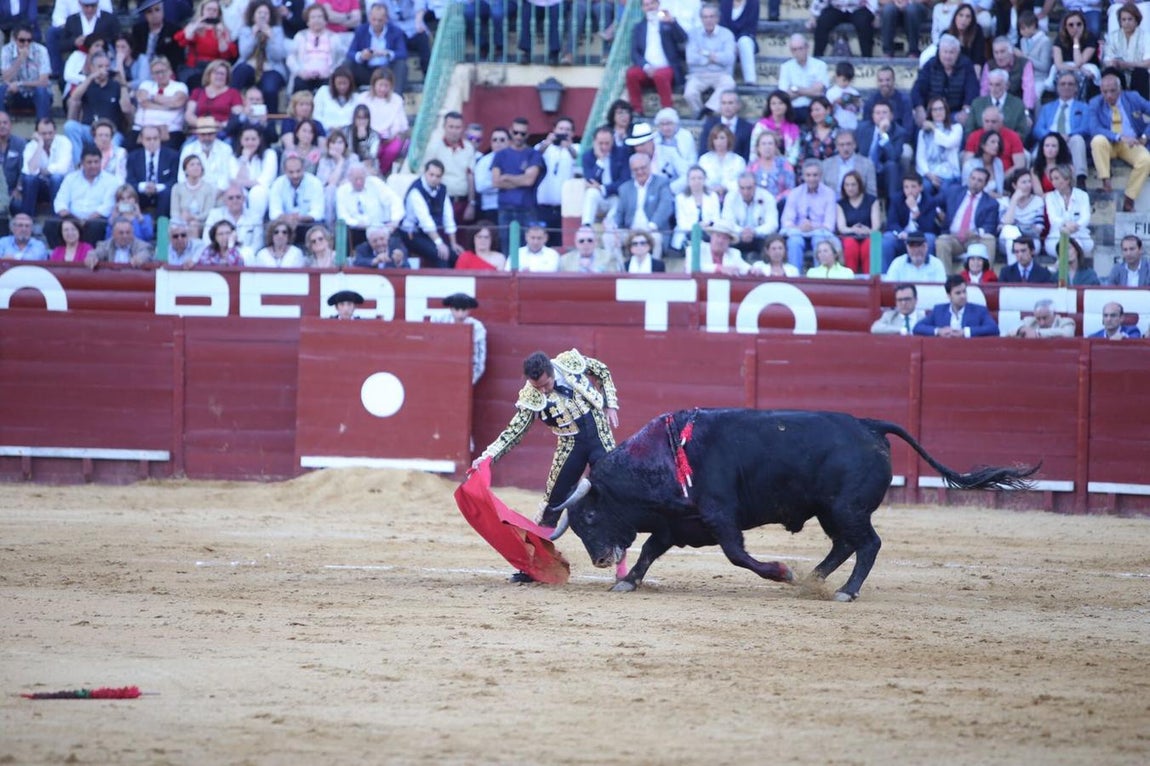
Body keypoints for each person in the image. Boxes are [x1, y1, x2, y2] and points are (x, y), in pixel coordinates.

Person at [475, 349, 620, 583]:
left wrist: (611, 403)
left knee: (614, 494)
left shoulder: (569, 362)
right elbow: (514, 432)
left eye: (546, 384)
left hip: (600, 435)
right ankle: (534, 566)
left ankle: (623, 570)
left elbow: (602, 370)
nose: (542, 391)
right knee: (552, 503)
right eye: (537, 387)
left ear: (552, 371)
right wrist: (487, 456)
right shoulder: (531, 395)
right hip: (570, 445)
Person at [1089, 73, 1150, 213]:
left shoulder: (1133, 97)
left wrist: (1145, 136)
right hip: (1109, 143)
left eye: (1112, 91)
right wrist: (1118, 137)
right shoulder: (1095, 102)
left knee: (1146, 159)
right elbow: (1094, 128)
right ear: (1100, 91)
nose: (1109, 95)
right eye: (1105, 92)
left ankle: (1129, 198)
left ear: (1120, 89)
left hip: (1131, 143)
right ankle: (1106, 181)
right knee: (1097, 140)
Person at [626, 0, 687, 113]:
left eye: (652, 3)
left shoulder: (667, 23)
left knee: (660, 76)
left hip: (666, 68)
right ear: (642, 8)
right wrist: (646, 66)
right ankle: (637, 110)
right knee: (631, 74)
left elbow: (683, 39)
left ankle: (667, 110)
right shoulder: (639, 27)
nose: (650, 7)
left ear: (658, 5)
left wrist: (672, 22)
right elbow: (634, 53)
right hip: (646, 68)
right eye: (646, 5)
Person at [51, 144, 119, 245]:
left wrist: (86, 220)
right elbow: (60, 202)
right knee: (51, 225)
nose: (93, 165)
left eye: (96, 162)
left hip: (96, 220)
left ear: (101, 161)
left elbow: (107, 207)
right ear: (82, 163)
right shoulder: (71, 178)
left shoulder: (111, 180)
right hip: (71, 218)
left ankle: (88, 253)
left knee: (96, 226)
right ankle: (61, 253)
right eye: (89, 162)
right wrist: (74, 220)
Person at [491, 116, 543, 247]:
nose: (519, 136)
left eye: (522, 133)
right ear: (510, 131)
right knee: (506, 247)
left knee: (529, 248)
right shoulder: (500, 155)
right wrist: (521, 178)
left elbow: (529, 181)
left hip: (527, 208)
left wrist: (507, 177)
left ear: (528, 134)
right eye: (516, 132)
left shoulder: (534, 154)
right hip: (505, 208)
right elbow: (496, 182)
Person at [1032, 73, 1091, 189]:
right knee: (1034, 154)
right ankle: (1035, 185)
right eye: (1062, 84)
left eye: (1070, 84)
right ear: (1057, 87)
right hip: (1050, 140)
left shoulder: (1084, 107)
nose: (1066, 87)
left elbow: (1086, 128)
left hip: (1070, 139)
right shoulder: (1047, 107)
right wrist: (1053, 136)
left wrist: (1068, 135)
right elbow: (1038, 129)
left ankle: (1080, 179)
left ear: (1076, 88)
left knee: (1078, 140)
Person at [934, 166, 999, 270]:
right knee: (942, 240)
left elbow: (990, 227)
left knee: (989, 239)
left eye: (979, 180)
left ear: (985, 184)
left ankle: (986, 277)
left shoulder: (991, 203)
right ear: (969, 179)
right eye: (973, 178)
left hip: (975, 240)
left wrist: (975, 233)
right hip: (953, 237)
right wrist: (939, 212)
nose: (975, 182)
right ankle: (946, 277)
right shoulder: (953, 191)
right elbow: (933, 203)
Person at [612, 152, 674, 259]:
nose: (640, 172)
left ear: (650, 166)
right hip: (631, 231)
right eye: (636, 169)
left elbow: (666, 206)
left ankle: (654, 267)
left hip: (653, 230)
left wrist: (652, 226)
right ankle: (621, 267)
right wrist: (614, 227)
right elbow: (619, 213)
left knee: (656, 238)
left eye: (643, 168)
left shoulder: (661, 183)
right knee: (609, 237)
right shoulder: (625, 188)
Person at [401, 158, 461, 268]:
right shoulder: (416, 191)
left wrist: (453, 243)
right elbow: (425, 221)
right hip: (412, 234)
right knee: (441, 256)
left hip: (430, 234)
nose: (434, 179)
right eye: (431, 175)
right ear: (425, 173)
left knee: (455, 256)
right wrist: (439, 243)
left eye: (438, 176)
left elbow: (448, 218)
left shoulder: (442, 190)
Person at [911, 35, 979, 128]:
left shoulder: (966, 65)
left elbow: (972, 90)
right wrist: (919, 108)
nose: (948, 56)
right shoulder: (930, 65)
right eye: (945, 52)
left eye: (951, 52)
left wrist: (966, 110)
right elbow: (917, 89)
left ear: (958, 53)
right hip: (932, 112)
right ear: (939, 52)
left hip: (956, 113)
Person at [779, 158, 836, 270]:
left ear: (821, 176)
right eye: (808, 175)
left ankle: (820, 276)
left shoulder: (829, 194)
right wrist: (800, 227)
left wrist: (812, 227)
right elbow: (786, 222)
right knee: (794, 242)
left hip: (820, 233)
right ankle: (795, 276)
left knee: (820, 241)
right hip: (798, 232)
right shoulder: (795, 193)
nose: (811, 179)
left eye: (815, 175)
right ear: (803, 176)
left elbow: (830, 225)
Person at [232, 0, 288, 112]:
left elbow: (278, 56)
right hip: (250, 65)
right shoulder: (245, 30)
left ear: (270, 16)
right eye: (259, 13)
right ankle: (234, 111)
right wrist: (253, 36)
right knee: (239, 73)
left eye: (266, 13)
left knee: (270, 89)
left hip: (271, 68)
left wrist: (271, 38)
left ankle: (271, 118)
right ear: (253, 16)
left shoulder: (277, 30)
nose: (262, 16)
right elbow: (244, 53)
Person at [683, 3, 736, 119]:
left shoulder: (727, 34)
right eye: (705, 17)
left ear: (717, 18)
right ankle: (700, 114)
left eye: (712, 16)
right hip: (698, 74)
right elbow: (691, 58)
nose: (708, 20)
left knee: (729, 84)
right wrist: (713, 57)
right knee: (689, 93)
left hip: (721, 73)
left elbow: (729, 58)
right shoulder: (693, 34)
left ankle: (708, 109)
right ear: (701, 19)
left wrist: (703, 54)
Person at [422, 111, 476, 224]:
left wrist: (471, 204)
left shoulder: (469, 148)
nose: (454, 131)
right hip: (439, 202)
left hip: (462, 203)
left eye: (457, 127)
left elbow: (470, 176)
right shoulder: (434, 147)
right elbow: (426, 176)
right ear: (444, 127)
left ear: (462, 129)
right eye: (451, 127)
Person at [534, 115, 578, 245]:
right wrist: (547, 142)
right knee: (540, 241)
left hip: (566, 208)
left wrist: (568, 146)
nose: (564, 132)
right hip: (543, 206)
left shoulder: (576, 148)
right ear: (554, 130)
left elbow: (577, 158)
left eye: (567, 130)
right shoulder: (544, 146)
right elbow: (535, 156)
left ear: (572, 133)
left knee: (563, 243)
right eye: (561, 129)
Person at [174, 0, 237, 88]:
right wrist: (195, 27)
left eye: (214, 10)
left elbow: (225, 55)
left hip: (214, 67)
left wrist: (220, 36)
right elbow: (183, 42)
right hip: (194, 66)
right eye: (208, 9)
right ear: (202, 11)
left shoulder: (223, 29)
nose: (211, 12)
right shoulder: (193, 26)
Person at [883, 171, 939, 270]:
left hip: (920, 237)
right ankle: (884, 275)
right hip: (901, 237)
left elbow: (929, 227)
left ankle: (926, 272)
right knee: (887, 239)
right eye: (906, 187)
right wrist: (901, 233)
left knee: (930, 238)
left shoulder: (930, 202)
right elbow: (892, 223)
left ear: (921, 187)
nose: (909, 191)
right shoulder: (896, 199)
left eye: (913, 187)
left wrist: (915, 210)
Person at [356, 67, 408, 174]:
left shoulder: (396, 100)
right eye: (380, 85)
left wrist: (392, 134)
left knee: (394, 148)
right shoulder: (363, 98)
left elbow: (400, 123)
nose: (383, 89)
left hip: (389, 138)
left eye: (386, 86)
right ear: (374, 84)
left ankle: (382, 172)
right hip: (368, 135)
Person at [19, 118, 74, 219]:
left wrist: (42, 170)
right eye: (43, 134)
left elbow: (62, 168)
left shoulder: (64, 142)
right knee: (29, 179)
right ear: (37, 133)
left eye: (50, 133)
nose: (48, 137)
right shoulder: (31, 146)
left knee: (56, 178)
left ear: (55, 131)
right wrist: (40, 144)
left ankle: (56, 221)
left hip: (63, 187)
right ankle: (26, 220)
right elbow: (29, 171)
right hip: (40, 187)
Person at [855, 99, 907, 202]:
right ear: (873, 116)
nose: (881, 116)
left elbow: (893, 157)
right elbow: (856, 149)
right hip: (865, 167)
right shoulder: (862, 128)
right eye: (877, 113)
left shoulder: (899, 132)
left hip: (883, 170)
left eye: (884, 113)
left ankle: (892, 205)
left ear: (891, 116)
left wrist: (883, 134)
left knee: (892, 166)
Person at [346, 2, 407, 90]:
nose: (376, 23)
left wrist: (387, 53)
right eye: (374, 20)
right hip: (367, 70)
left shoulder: (396, 31)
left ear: (386, 19)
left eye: (380, 20)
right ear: (369, 17)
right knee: (348, 63)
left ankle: (397, 94)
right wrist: (361, 55)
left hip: (386, 71)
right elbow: (350, 53)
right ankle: (349, 94)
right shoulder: (361, 30)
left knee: (401, 64)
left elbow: (403, 53)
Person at [914, 274, 1000, 336]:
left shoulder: (979, 310)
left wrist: (965, 332)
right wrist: (939, 331)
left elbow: (994, 328)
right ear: (949, 296)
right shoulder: (938, 310)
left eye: (964, 291)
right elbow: (918, 327)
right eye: (958, 293)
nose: (963, 296)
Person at [0, 24, 53, 122]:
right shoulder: (7, 50)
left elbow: (43, 82)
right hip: (15, 94)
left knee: (41, 91)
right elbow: (5, 78)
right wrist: (20, 60)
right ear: (15, 39)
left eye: (29, 40)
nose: (26, 44)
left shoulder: (41, 50)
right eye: (22, 40)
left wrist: (20, 84)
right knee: (2, 88)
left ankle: (42, 125)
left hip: (36, 94)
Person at [268, 154, 325, 245]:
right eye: (291, 172)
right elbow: (274, 213)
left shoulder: (315, 183)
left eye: (298, 171)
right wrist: (287, 218)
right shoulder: (277, 184)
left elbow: (318, 213)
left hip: (307, 224)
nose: (295, 175)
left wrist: (299, 218)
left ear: (304, 169)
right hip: (284, 223)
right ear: (285, 171)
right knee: (273, 227)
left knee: (319, 227)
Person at [432, 292, 486, 385]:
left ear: (469, 310)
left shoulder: (477, 328)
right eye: (457, 309)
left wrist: (467, 383)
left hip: (463, 375)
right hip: (439, 371)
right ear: (451, 309)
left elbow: (479, 360)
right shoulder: (439, 320)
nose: (460, 314)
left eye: (464, 310)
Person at [721, 170, 778, 257]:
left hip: (760, 237)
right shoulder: (731, 197)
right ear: (738, 187)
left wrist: (754, 232)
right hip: (737, 236)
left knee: (771, 242)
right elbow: (727, 221)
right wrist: (741, 231)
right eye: (742, 188)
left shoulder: (767, 197)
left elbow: (772, 224)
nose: (745, 192)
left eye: (749, 188)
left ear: (755, 186)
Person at [126, 124, 178, 218]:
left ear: (160, 139)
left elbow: (174, 180)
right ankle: (133, 224)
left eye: (155, 138)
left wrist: (157, 187)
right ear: (142, 140)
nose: (152, 142)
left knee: (167, 194)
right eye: (148, 139)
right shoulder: (133, 157)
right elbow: (130, 180)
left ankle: (161, 226)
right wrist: (144, 186)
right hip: (140, 193)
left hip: (163, 194)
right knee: (128, 194)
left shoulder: (172, 156)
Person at [581, 125, 628, 226]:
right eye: (600, 143)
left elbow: (624, 181)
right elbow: (590, 180)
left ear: (613, 141)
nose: (604, 147)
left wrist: (602, 188)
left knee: (618, 201)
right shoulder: (587, 156)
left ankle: (610, 228)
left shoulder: (622, 153)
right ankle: (586, 226)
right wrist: (600, 160)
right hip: (598, 196)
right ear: (594, 142)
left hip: (615, 195)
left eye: (607, 143)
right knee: (591, 193)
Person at [1043, 163, 1093, 258]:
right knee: (1063, 246)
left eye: (1057, 178)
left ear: (1067, 179)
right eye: (1052, 179)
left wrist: (1075, 226)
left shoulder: (1082, 195)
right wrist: (1066, 225)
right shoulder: (1050, 197)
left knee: (1076, 244)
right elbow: (1053, 219)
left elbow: (1085, 218)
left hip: (1079, 233)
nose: (1053, 182)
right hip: (1056, 234)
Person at [777, 33, 828, 124]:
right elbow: (784, 96)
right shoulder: (785, 67)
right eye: (794, 49)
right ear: (791, 51)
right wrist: (810, 90)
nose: (798, 52)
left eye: (800, 48)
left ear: (807, 47)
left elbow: (820, 93)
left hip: (814, 110)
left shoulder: (820, 65)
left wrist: (796, 89)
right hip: (793, 109)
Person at [915, 96, 962, 196]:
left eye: (941, 109)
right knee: (925, 187)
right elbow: (920, 158)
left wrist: (933, 128)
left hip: (949, 173)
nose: (938, 112)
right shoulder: (923, 132)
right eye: (935, 110)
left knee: (944, 190)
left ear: (946, 110)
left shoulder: (956, 128)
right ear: (930, 113)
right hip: (930, 173)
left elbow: (948, 143)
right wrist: (929, 175)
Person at [288, 4, 340, 94]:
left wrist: (331, 72)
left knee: (329, 87)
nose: (317, 20)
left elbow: (341, 59)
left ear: (325, 20)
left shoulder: (334, 37)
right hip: (304, 76)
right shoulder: (300, 36)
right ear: (307, 21)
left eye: (320, 17)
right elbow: (290, 58)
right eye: (313, 17)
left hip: (327, 76)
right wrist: (300, 72)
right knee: (299, 85)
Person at [835, 169, 878, 273]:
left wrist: (867, 231)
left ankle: (872, 278)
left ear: (859, 185)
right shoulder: (840, 204)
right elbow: (842, 228)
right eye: (847, 185)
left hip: (869, 235)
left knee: (871, 244)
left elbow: (876, 227)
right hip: (849, 235)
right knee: (850, 245)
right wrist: (853, 230)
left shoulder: (872, 200)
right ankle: (851, 278)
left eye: (853, 185)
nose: (850, 188)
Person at [201, 182, 265, 253]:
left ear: (244, 199)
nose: (235, 201)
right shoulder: (215, 215)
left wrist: (240, 255)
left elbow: (258, 243)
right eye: (231, 198)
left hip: (246, 255)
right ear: (224, 200)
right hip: (219, 254)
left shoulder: (255, 217)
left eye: (238, 197)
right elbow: (207, 239)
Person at [671, 165, 720, 252]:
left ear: (705, 180)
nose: (696, 181)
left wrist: (707, 224)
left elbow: (716, 218)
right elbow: (681, 222)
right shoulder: (680, 198)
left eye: (700, 178)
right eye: (693, 178)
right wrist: (697, 226)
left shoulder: (713, 196)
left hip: (709, 232)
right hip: (687, 234)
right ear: (688, 181)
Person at [1104, 3, 1150, 95]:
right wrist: (1114, 63)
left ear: (1136, 21)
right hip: (1120, 72)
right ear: (1120, 21)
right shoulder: (1113, 37)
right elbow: (1107, 59)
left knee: (1140, 73)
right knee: (1110, 71)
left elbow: (1147, 62)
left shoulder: (1146, 36)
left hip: (1138, 73)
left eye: (1130, 19)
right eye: (1124, 19)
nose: (1127, 23)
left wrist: (1127, 64)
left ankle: (1141, 103)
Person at [970, 69, 1031, 137]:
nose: (993, 89)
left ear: (1007, 85)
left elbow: (1022, 132)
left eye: (997, 85)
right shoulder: (977, 104)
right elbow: (969, 131)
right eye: (991, 84)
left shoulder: (1017, 105)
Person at [698, 89, 753, 161]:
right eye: (723, 103)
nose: (727, 107)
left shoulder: (747, 127)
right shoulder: (710, 124)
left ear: (738, 105)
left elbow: (747, 154)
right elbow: (703, 149)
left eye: (730, 103)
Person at [821, 130, 876, 202]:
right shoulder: (825, 165)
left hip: (857, 204)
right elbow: (820, 191)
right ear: (836, 146)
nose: (845, 148)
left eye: (848, 144)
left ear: (854, 145)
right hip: (832, 204)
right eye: (841, 145)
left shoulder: (867, 164)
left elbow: (872, 193)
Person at [751, 90, 801, 166]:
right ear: (769, 106)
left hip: (786, 167)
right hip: (762, 167)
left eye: (781, 103)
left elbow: (794, 154)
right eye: (773, 103)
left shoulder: (793, 128)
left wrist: (785, 167)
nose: (777, 107)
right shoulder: (761, 126)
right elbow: (753, 150)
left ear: (787, 105)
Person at [809, 0, 875, 58]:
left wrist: (876, 14)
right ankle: (817, 57)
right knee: (823, 21)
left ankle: (867, 58)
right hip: (836, 8)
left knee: (864, 22)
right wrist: (814, 16)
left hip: (858, 8)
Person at [170, 154, 215, 238]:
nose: (196, 167)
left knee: (193, 225)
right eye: (192, 165)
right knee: (173, 227)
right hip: (181, 220)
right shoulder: (177, 188)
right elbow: (174, 212)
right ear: (185, 170)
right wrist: (182, 219)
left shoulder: (208, 188)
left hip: (201, 222)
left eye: (198, 164)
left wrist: (194, 217)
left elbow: (208, 212)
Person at [698, 123, 745, 200]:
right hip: (708, 198)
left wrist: (725, 187)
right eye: (715, 138)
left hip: (733, 198)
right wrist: (713, 189)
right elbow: (700, 181)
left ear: (729, 139)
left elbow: (742, 182)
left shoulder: (738, 161)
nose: (719, 141)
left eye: (722, 138)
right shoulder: (704, 159)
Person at [87, 215, 154, 269]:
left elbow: (145, 253)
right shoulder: (105, 245)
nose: (125, 236)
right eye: (121, 233)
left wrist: (140, 258)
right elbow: (96, 252)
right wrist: (92, 257)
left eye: (128, 232)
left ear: (133, 233)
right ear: (113, 234)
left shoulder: (142, 245)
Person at [747, 130, 795, 204]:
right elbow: (746, 186)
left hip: (779, 204)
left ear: (775, 147)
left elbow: (790, 189)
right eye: (763, 144)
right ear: (758, 148)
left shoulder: (785, 164)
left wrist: (775, 200)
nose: (767, 147)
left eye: (770, 143)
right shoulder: (752, 165)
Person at [720, 0, 758, 85]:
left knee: (744, 42)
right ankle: (726, 81)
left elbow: (750, 27)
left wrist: (737, 43)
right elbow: (723, 26)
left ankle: (750, 81)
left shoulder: (753, 2)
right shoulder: (725, 2)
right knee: (729, 46)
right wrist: (731, 42)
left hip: (746, 37)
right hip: (728, 38)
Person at [313, 66, 358, 133]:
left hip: (348, 133)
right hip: (325, 132)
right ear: (333, 83)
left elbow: (358, 119)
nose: (342, 87)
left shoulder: (356, 97)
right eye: (339, 83)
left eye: (345, 83)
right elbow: (316, 115)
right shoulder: (323, 92)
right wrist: (329, 127)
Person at [797, 96, 838, 163]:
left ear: (828, 110)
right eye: (812, 110)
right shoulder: (806, 131)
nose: (814, 113)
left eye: (817, 110)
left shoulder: (837, 131)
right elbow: (801, 155)